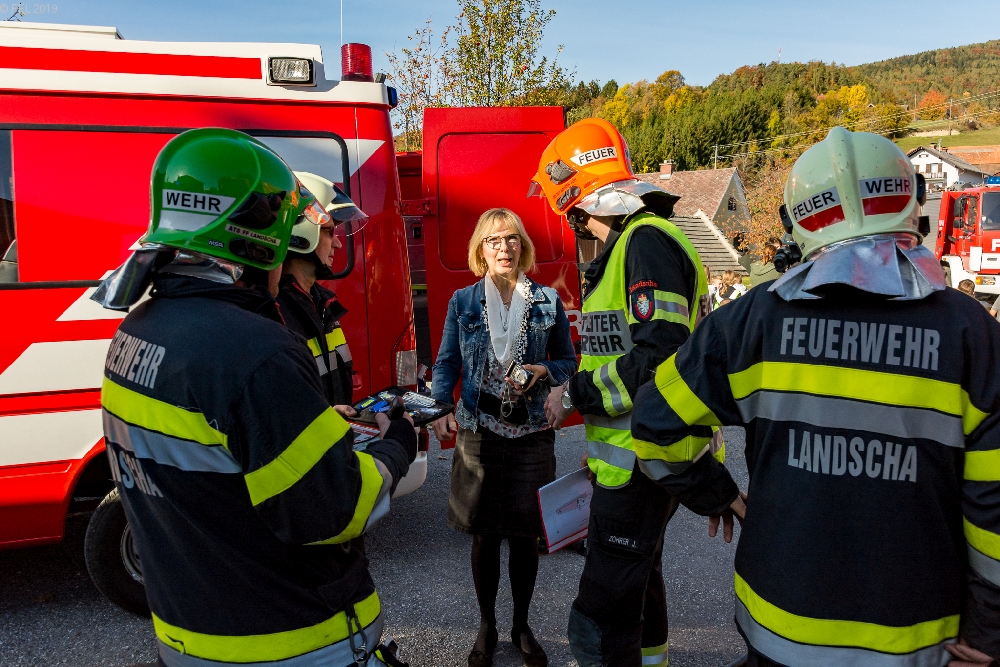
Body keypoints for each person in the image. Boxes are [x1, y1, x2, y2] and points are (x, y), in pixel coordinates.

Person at [631, 127, 1000, 667]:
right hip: (919, 641)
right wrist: (989, 632)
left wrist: (716, 493)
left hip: (779, 630)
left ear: (799, 221)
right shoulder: (972, 334)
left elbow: (654, 423)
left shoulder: (750, 321)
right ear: (909, 204)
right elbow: (994, 504)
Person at [92, 128, 417, 667]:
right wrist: (397, 444)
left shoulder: (136, 329)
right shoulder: (255, 351)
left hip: (188, 639)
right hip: (292, 644)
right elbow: (334, 510)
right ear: (259, 241)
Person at [530, 118, 738, 667]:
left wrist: (570, 394)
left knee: (599, 620)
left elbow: (658, 358)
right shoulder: (636, 244)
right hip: (635, 460)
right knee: (641, 582)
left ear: (573, 200)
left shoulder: (643, 243)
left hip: (643, 462)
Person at [430, 208, 576, 667]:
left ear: (522, 246)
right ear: (481, 249)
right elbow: (446, 363)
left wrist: (543, 371)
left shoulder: (547, 301)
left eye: (511, 239)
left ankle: (522, 625)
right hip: (480, 431)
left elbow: (568, 362)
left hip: (531, 432)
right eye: (493, 240)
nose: (504, 247)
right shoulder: (463, 301)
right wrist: (441, 407)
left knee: (526, 536)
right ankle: (487, 625)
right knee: (485, 536)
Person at [277, 172, 367, 412]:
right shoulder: (275, 311)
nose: (338, 243)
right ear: (300, 233)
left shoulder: (321, 303)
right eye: (329, 232)